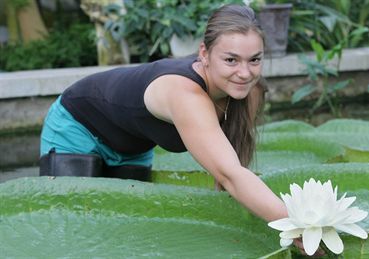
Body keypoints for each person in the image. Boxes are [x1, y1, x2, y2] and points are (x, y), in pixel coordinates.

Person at [39, 4, 313, 255]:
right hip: (78, 127)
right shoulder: (185, 94)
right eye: (231, 60)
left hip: (133, 147)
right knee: (70, 232)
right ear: (204, 53)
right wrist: (301, 226)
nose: (245, 72)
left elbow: (230, 168)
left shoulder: (248, 91)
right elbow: (231, 175)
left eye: (254, 60)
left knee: (122, 234)